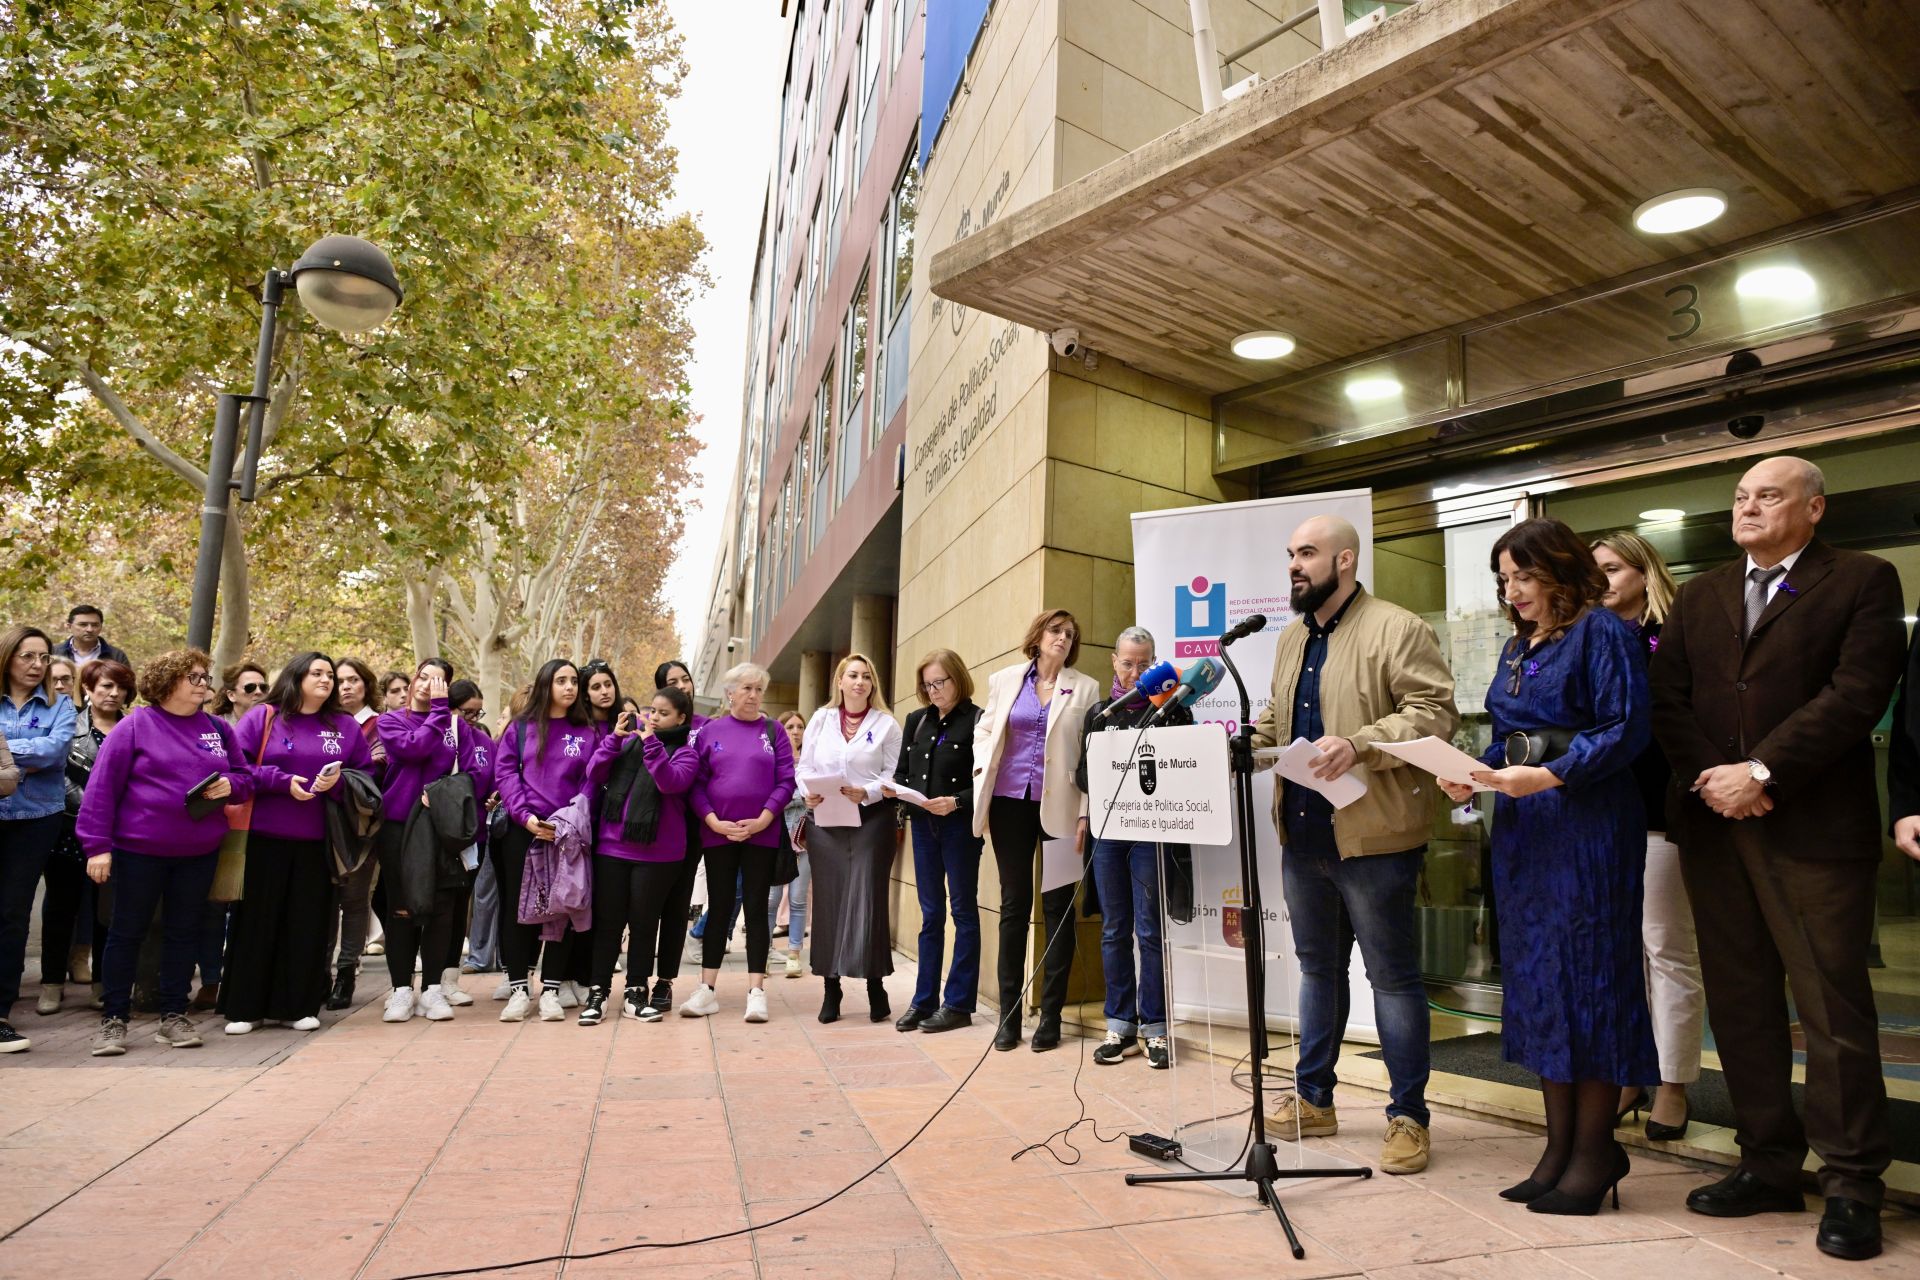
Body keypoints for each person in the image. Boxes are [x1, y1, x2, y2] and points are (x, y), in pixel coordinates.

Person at [1649, 456, 1905, 1261]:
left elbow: (1858, 690)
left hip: (1814, 829)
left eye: (1769, 495)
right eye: (1740, 496)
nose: (1749, 506)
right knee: (1741, 999)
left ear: (1815, 507)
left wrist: (1762, 772)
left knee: (1833, 1007)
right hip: (1715, 824)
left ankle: (1854, 1182)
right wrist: (1717, 780)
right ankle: (1765, 1163)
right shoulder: (1702, 593)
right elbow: (1670, 699)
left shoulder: (1864, 579)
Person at [1437, 517, 1655, 1216]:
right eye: (1504, 579)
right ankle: (1559, 1148)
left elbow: (1626, 729)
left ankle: (1595, 1151)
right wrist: (1473, 773)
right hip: (1526, 826)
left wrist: (1556, 775)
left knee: (1589, 980)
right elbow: (1508, 738)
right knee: (1539, 984)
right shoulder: (1514, 645)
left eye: (1524, 576)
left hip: (1588, 822)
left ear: (1560, 571)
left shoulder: (1604, 632)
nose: (1514, 591)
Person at [1250, 515, 1459, 1174]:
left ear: (1344, 561)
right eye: (1290, 553)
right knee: (1317, 973)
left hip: (1376, 839)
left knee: (1392, 981)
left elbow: (1433, 711)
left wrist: (1360, 742)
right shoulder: (1289, 639)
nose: (1293, 564)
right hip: (1304, 835)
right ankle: (1315, 1099)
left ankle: (1408, 1118)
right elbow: (1276, 719)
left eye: (1306, 553)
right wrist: (1242, 745)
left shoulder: (1397, 628)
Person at [79, 648, 253, 1056]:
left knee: (184, 932)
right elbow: (101, 790)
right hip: (138, 852)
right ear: (167, 682)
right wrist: (97, 847)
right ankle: (114, 1020)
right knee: (126, 932)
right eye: (194, 677)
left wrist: (234, 785)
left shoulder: (217, 728)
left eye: (204, 678)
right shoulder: (135, 726)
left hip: (198, 852)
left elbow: (245, 776)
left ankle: (174, 1016)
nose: (203, 685)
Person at [1591, 530, 1701, 1141]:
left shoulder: (1674, 634)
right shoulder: (1588, 635)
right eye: (1595, 571)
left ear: (1643, 571)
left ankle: (1675, 1085)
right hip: (1603, 817)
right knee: (1617, 955)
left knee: (1667, 951)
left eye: (1612, 568)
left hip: (1661, 813)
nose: (1603, 581)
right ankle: (1630, 1075)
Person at [220, 652, 376, 1034]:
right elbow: (235, 767)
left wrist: (336, 784)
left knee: (307, 924)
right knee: (257, 922)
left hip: (318, 842)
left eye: (330, 676)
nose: (326, 680)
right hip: (262, 838)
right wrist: (280, 781)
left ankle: (299, 1006)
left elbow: (365, 777)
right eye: (317, 673)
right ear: (296, 677)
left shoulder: (344, 725)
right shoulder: (264, 715)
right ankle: (246, 1008)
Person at [972, 609, 1101, 1052]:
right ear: (1039, 635)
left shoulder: (1085, 688)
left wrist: (1086, 811)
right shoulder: (1006, 679)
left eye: (1070, 633)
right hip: (1009, 805)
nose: (1063, 638)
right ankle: (1009, 1016)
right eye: (1056, 630)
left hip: (1063, 809)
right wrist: (980, 774)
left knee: (1059, 908)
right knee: (1014, 906)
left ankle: (1050, 1016)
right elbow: (985, 730)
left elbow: (1090, 755)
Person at [1074, 627, 1195, 1073]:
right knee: (1113, 929)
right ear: (1114, 661)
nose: (1136, 672)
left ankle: (1156, 1026)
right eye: (1128, 663)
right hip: (1108, 830)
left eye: (1145, 664)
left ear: (1156, 664)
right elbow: (1082, 776)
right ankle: (1120, 1023)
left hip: (1151, 831)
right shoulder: (1100, 713)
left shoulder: (1174, 708)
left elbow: (1186, 764)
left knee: (1148, 930)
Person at [677, 662, 794, 1023]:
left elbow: (786, 780)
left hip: (762, 833)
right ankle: (706, 989)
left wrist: (764, 818)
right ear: (730, 693)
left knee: (758, 909)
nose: (754, 695)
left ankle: (756, 991)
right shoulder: (709, 731)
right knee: (721, 907)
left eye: (759, 689)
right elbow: (694, 783)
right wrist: (712, 819)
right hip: (718, 833)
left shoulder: (774, 731)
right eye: (747, 688)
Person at [374, 658, 486, 1024]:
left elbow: (471, 774)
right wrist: (438, 713)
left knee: (442, 907)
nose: (426, 685)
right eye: (422, 677)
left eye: (436, 681)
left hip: (441, 829)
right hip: (397, 827)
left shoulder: (458, 726)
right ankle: (401, 990)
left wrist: (441, 797)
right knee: (401, 907)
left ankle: (434, 989)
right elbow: (411, 750)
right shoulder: (390, 721)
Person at [580, 685, 700, 1024]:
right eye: (652, 711)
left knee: (645, 925)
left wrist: (651, 743)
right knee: (608, 923)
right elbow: (595, 773)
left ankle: (636, 991)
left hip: (659, 856)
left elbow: (670, 783)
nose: (654, 718)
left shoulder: (686, 753)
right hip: (612, 847)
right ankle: (598, 991)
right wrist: (614, 739)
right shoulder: (628, 743)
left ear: (681, 718)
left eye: (663, 714)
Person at [797, 654, 902, 1024]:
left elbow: (892, 775)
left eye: (866, 676)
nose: (859, 681)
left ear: (873, 684)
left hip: (872, 822)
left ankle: (876, 985)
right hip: (826, 821)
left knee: (868, 900)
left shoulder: (887, 724)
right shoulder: (820, 719)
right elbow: (804, 766)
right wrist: (806, 792)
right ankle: (832, 988)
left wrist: (869, 791)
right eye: (852, 675)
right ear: (839, 682)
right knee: (829, 903)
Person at [494, 658, 600, 1023]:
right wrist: (525, 817)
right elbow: (506, 773)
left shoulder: (586, 731)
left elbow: (592, 779)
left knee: (564, 908)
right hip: (523, 832)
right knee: (518, 910)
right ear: (545, 685)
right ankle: (519, 988)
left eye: (574, 681)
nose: (570, 687)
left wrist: (568, 819)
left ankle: (552, 990)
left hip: (566, 833)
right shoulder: (520, 729)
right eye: (561, 681)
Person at [887, 651, 983, 1034]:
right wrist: (899, 792)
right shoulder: (916, 721)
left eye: (940, 682)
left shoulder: (978, 720)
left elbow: (990, 781)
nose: (933, 690)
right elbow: (902, 774)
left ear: (958, 678)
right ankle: (923, 1001)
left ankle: (958, 1004)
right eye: (927, 684)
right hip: (923, 827)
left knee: (963, 911)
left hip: (959, 827)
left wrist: (956, 801)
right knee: (931, 915)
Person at [39, 658, 136, 1016]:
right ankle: (51, 985)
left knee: (106, 913)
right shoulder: (69, 724)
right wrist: (96, 808)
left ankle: (102, 985)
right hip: (69, 831)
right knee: (60, 909)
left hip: (119, 836)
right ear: (88, 688)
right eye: (105, 686)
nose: (113, 693)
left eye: (120, 687)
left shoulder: (134, 727)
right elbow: (56, 774)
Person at [1, 625, 77, 1052]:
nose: (37, 665)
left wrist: (4, 752)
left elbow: (55, 752)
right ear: (8, 657)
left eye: (44, 657)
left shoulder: (60, 704)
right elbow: (40, 751)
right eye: (27, 656)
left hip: (36, 820)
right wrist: (29, 750)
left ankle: (1, 1014)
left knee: (12, 914)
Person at [325, 656, 387, 1008]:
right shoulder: (322, 722)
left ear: (366, 685)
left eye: (353, 680)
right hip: (320, 825)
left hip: (361, 825)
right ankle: (320, 972)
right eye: (340, 680)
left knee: (354, 899)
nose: (345, 686)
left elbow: (377, 767)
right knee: (324, 901)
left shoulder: (379, 725)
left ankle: (346, 973)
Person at [438, 681, 497, 999]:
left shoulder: (485, 742)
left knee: (461, 907)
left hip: (473, 836)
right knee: (437, 908)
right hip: (435, 834)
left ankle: (450, 981)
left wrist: (492, 799)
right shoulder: (439, 737)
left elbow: (495, 782)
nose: (472, 718)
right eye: (466, 712)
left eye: (478, 712)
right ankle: (424, 983)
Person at [771, 711, 811, 976]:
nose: (795, 731)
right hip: (775, 838)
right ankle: (761, 954)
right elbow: (773, 798)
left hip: (805, 838)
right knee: (771, 899)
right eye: (789, 726)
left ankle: (794, 953)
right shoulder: (773, 761)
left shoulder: (812, 763)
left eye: (800, 726)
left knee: (798, 899)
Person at [56, 604, 131, 669]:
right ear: (69, 626)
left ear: (101, 627)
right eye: (83, 624)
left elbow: (126, 684)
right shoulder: (54, 652)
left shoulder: (116, 656)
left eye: (95, 625)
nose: (90, 629)